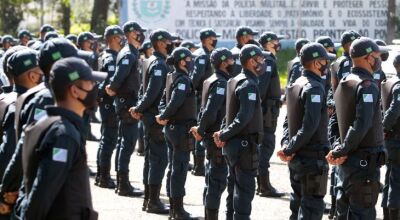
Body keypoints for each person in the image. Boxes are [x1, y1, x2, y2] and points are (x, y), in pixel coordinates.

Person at [0, 38, 78, 219]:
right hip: (27, 191)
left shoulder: (12, 99)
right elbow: (16, 149)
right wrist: (7, 190)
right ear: (33, 77)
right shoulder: (40, 101)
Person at [20, 57, 105, 220]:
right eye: (90, 83)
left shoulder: (50, 124)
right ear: (74, 90)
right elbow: (42, 192)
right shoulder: (63, 135)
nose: (95, 88)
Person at [326, 37, 388, 219]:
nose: (378, 60)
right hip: (363, 164)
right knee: (362, 213)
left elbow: (334, 121)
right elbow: (362, 123)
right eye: (376, 56)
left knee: (344, 213)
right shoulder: (366, 86)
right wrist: (342, 149)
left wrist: (337, 147)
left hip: (347, 163)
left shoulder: (346, 80)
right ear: (368, 58)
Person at [278, 43, 335, 219]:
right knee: (311, 209)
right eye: (325, 61)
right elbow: (309, 125)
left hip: (297, 157)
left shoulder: (296, 84)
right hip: (311, 157)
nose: (327, 65)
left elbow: (288, 122)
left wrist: (287, 145)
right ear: (316, 63)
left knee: (297, 205)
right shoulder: (314, 87)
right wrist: (289, 149)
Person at [213, 44, 264, 219]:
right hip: (243, 146)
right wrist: (224, 134)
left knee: (234, 188)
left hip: (233, 144)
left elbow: (229, 114)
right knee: (244, 192)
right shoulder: (248, 84)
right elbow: (243, 117)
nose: (263, 62)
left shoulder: (234, 80)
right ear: (252, 61)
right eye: (260, 59)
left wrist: (222, 133)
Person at [130, 29, 174, 214]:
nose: (171, 43)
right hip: (156, 118)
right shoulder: (159, 64)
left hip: (150, 116)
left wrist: (139, 108)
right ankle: (153, 201)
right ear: (161, 43)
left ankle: (149, 199)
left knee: (151, 158)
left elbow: (143, 89)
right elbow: (152, 91)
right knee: (158, 160)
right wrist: (139, 108)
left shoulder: (150, 60)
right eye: (168, 40)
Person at [0, 48, 43, 218]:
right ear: (32, 76)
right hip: (15, 190)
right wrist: (7, 188)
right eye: (41, 72)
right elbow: (10, 151)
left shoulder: (4, 99)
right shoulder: (24, 104)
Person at [190, 48, 233, 219]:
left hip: (211, 136)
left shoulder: (212, 79)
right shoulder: (221, 83)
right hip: (215, 139)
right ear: (223, 63)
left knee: (212, 179)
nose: (233, 63)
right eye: (231, 60)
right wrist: (201, 130)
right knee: (216, 181)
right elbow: (210, 110)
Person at [105, 21, 146, 197]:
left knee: (125, 142)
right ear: (129, 33)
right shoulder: (129, 53)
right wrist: (112, 87)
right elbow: (119, 75)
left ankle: (122, 182)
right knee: (127, 143)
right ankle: (123, 184)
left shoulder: (131, 52)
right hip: (127, 102)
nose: (141, 35)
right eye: (138, 32)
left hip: (127, 100)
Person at [156, 47, 197, 220]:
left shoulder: (171, 76)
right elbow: (174, 101)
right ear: (182, 61)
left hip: (172, 128)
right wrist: (164, 116)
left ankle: (174, 209)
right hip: (180, 129)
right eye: (189, 58)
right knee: (178, 169)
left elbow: (162, 102)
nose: (192, 61)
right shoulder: (182, 79)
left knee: (173, 167)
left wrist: (163, 116)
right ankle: (178, 211)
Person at [256, 31, 285, 198]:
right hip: (266, 112)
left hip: (268, 110)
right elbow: (261, 88)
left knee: (265, 144)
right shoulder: (267, 60)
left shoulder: (268, 59)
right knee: (266, 145)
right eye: (275, 41)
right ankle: (263, 185)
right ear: (267, 43)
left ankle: (262, 184)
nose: (277, 44)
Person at [96, 25, 124, 189]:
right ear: (113, 38)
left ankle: (102, 175)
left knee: (106, 139)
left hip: (106, 103)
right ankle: (104, 176)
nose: (122, 39)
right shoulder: (110, 58)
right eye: (120, 36)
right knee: (109, 139)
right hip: (109, 103)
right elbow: (109, 82)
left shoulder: (108, 55)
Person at [191, 28, 221, 176]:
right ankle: (198, 165)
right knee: (201, 128)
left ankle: (199, 163)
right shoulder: (202, 55)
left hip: (204, 96)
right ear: (206, 39)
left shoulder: (207, 53)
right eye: (213, 38)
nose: (215, 40)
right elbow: (196, 78)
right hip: (200, 98)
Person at [381, 54, 400, 220]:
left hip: (391, 140)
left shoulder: (389, 82)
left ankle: (387, 213)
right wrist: (384, 128)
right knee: (397, 181)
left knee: (390, 178)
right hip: (396, 140)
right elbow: (394, 110)